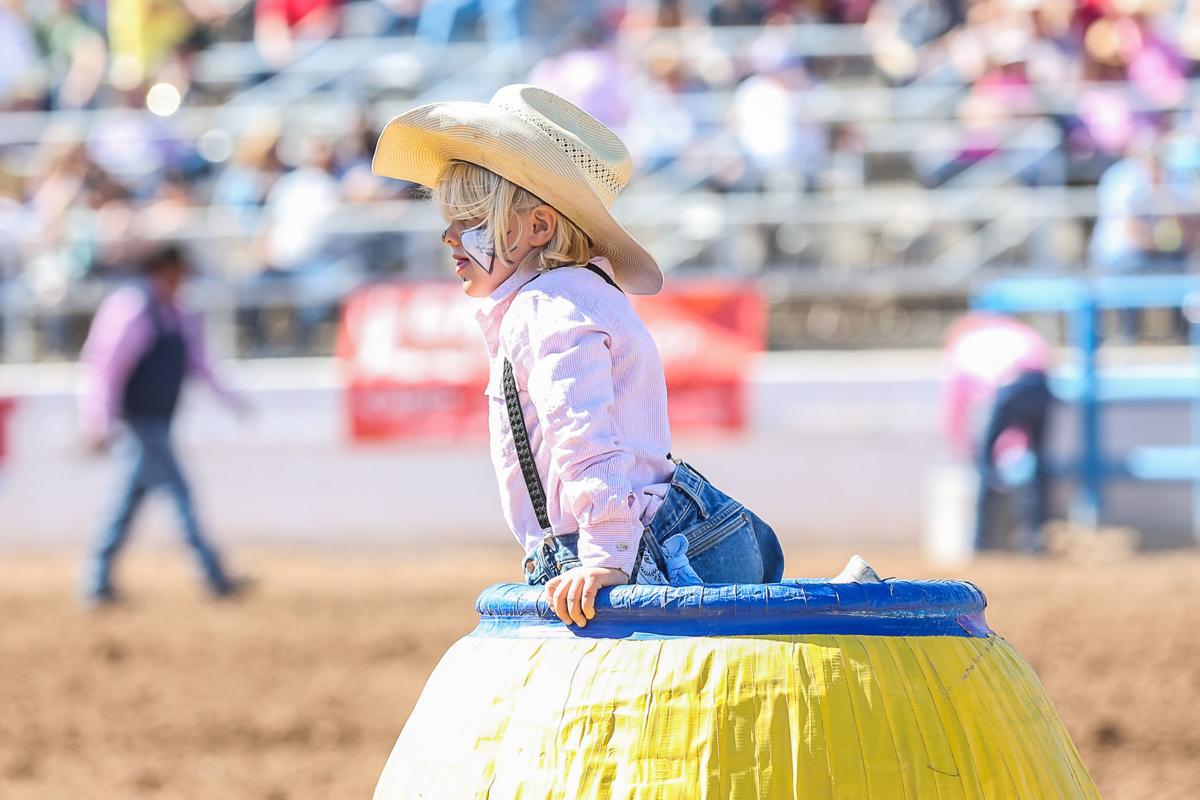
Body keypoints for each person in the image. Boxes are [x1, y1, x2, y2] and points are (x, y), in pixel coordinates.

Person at [371, 84, 785, 628]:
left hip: (637, 543)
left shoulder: (548, 306)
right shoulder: (581, 293)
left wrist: (607, 552)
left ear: (540, 226)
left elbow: (582, 435)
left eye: (470, 217)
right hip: (676, 528)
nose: (449, 235)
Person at [78, 243, 247, 605]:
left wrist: (231, 399)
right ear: (164, 270)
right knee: (180, 495)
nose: (183, 279)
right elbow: (105, 368)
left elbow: (201, 364)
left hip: (158, 423)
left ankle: (97, 582)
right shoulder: (132, 309)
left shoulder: (178, 313)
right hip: (141, 424)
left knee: (124, 505)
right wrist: (98, 420)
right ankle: (213, 576)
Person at [942, 312, 1054, 553]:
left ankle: (981, 542)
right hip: (1041, 384)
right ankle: (1035, 540)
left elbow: (957, 404)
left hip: (1008, 387)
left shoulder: (964, 346)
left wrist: (961, 445)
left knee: (985, 465)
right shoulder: (1016, 331)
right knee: (1038, 466)